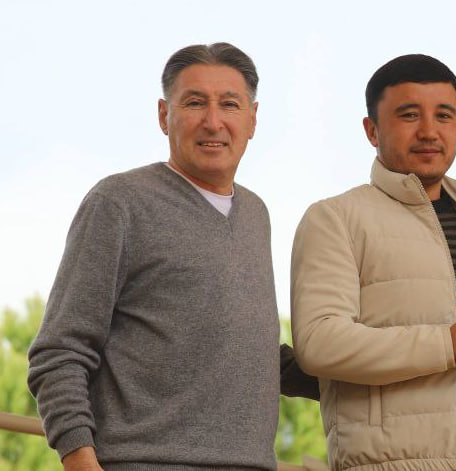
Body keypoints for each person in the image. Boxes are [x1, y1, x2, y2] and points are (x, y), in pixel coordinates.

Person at [27, 43, 281, 470]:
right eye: (195, 103)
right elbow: (59, 351)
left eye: (229, 104)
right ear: (164, 115)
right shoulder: (119, 202)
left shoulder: (256, 214)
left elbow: (239, 347)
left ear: (252, 119)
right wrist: (80, 461)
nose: (213, 121)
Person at [290, 54, 456, 471]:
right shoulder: (334, 218)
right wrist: (446, 343)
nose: (429, 131)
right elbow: (319, 342)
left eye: (444, 116)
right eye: (409, 115)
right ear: (371, 130)